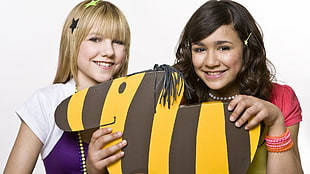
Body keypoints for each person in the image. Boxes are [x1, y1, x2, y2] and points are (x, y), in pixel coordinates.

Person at [173, 0, 303, 173]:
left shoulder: (280, 98)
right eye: (200, 50)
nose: (211, 62)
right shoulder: (174, 99)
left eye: (223, 48)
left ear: (247, 48)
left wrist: (276, 123)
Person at [4, 0, 130, 173]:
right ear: (73, 42)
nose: (109, 51)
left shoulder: (135, 104)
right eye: (95, 39)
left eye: (118, 41)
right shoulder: (46, 103)